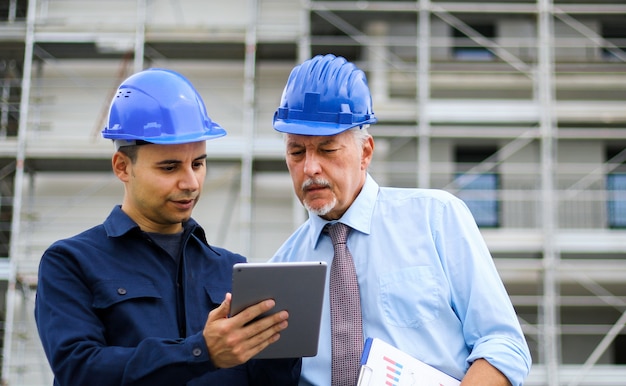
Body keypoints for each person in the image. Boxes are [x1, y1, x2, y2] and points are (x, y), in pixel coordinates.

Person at [270, 54, 531, 386]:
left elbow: (504, 346)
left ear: (365, 152)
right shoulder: (283, 265)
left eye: (327, 149)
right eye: (296, 152)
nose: (310, 168)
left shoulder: (436, 218)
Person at [35, 68, 300, 386]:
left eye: (198, 164)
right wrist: (201, 352)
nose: (190, 182)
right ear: (123, 167)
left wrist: (285, 343)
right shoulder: (70, 262)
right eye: (169, 167)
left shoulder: (234, 270)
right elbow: (80, 370)